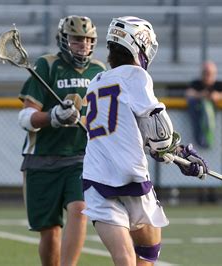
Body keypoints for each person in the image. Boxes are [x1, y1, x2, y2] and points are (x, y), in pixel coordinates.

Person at [81, 16, 208, 265]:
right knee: (147, 253)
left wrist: (169, 151)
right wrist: (183, 155)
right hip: (130, 178)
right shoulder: (136, 76)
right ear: (138, 44)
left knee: (126, 258)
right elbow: (159, 130)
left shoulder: (95, 83)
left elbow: (128, 128)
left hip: (96, 179)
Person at [17, 15, 105, 266]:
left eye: (88, 40)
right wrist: (54, 116)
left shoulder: (99, 71)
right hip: (41, 158)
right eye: (77, 39)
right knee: (50, 231)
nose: (83, 45)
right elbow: (25, 117)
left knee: (79, 210)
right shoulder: (47, 65)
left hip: (80, 157)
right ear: (64, 39)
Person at [185, 60, 222, 149]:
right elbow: (188, 93)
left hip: (219, 128)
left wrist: (219, 96)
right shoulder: (196, 84)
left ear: (214, 74)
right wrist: (201, 95)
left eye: (210, 73)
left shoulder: (220, 85)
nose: (207, 76)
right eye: (205, 73)